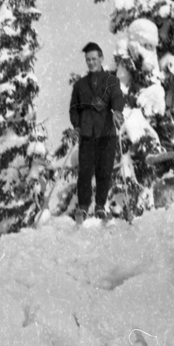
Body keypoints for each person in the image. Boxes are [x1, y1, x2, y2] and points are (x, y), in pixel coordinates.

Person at [69, 41, 126, 220]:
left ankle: (101, 206)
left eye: (94, 59)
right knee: (85, 171)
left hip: (106, 133)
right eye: (88, 60)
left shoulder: (111, 81)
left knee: (104, 170)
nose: (91, 62)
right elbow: (73, 108)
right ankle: (84, 207)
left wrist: (117, 111)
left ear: (101, 58)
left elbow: (118, 98)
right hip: (87, 133)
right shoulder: (80, 85)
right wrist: (76, 124)